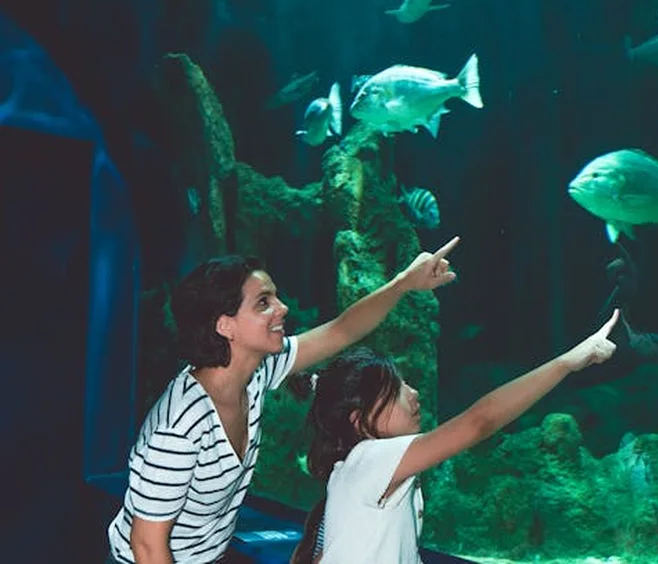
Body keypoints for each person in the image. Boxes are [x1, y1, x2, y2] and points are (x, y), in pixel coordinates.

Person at [106, 236, 462, 564]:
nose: (283, 308)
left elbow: (342, 330)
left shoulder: (254, 373)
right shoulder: (178, 428)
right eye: (264, 303)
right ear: (224, 326)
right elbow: (147, 546)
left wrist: (405, 282)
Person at [288, 308, 622, 564]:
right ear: (359, 422)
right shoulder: (369, 460)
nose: (414, 393)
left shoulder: (366, 472)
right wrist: (567, 363)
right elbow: (481, 421)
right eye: (396, 391)